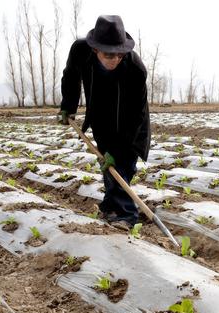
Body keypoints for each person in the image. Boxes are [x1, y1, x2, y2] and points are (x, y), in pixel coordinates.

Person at [59, 15, 150, 229]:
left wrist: (118, 151)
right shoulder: (80, 51)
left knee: (122, 164)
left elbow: (135, 115)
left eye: (119, 54)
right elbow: (71, 77)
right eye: (109, 55)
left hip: (129, 124)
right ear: (95, 50)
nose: (115, 59)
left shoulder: (135, 68)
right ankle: (110, 208)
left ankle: (126, 215)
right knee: (106, 164)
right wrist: (68, 106)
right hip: (101, 118)